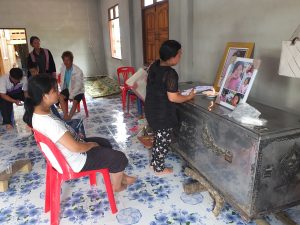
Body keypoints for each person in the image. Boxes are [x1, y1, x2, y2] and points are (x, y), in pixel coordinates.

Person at [23, 75, 136, 192]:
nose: (58, 92)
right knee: (119, 157)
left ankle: (120, 176)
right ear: (44, 96)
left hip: (67, 153)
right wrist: (91, 144)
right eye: (55, 90)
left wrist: (90, 143)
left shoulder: (39, 112)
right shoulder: (49, 123)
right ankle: (116, 187)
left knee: (104, 143)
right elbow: (76, 148)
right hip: (76, 161)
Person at [145, 40, 196, 175]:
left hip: (151, 109)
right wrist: (188, 97)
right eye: (179, 54)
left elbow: (160, 88)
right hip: (162, 114)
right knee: (163, 141)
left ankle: (154, 163)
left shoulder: (154, 65)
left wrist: (175, 93)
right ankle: (159, 169)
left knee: (158, 138)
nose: (180, 56)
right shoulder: (170, 73)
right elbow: (173, 98)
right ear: (172, 56)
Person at [58, 51, 85, 120]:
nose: (66, 62)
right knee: (60, 97)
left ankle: (69, 117)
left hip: (78, 90)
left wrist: (71, 96)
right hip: (68, 89)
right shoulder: (63, 68)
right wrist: (63, 91)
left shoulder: (78, 71)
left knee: (75, 102)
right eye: (64, 60)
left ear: (72, 60)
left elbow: (78, 86)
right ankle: (65, 115)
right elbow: (62, 80)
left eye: (68, 60)